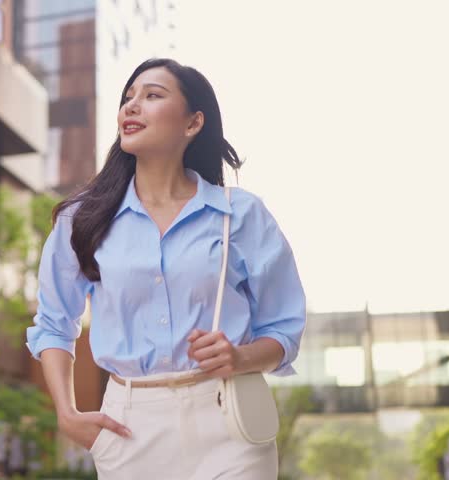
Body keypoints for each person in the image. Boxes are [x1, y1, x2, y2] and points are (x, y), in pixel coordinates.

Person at [25, 58, 306, 480]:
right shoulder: (81, 220)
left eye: (152, 95)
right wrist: (67, 413)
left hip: (229, 421)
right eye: (128, 98)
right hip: (129, 428)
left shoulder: (240, 214)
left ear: (192, 123)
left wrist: (239, 356)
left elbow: (284, 328)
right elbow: (53, 322)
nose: (131, 107)